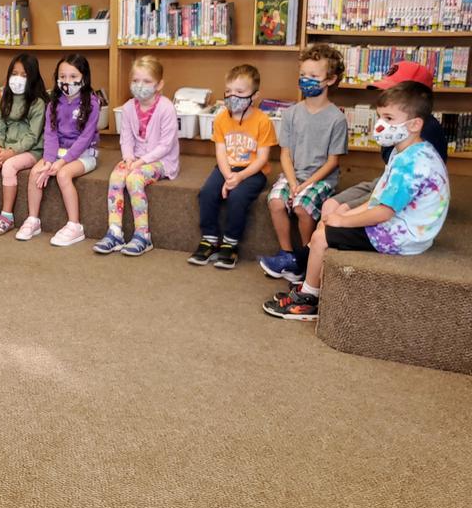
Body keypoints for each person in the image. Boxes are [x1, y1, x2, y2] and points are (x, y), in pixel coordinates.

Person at [264, 82, 450, 320]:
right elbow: (379, 197)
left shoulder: (411, 164)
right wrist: (343, 215)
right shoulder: (404, 150)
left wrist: (343, 222)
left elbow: (383, 212)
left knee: (323, 235)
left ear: (415, 124)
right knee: (332, 216)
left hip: (404, 236)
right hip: (402, 223)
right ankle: (308, 280)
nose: (381, 124)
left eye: (389, 118)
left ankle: (309, 300)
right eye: (380, 116)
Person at [257, 45, 348, 281]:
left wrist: (305, 184)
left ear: (330, 79)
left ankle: (306, 257)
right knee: (276, 200)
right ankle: (287, 254)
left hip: (320, 178)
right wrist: (293, 180)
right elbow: (285, 153)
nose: (306, 80)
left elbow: (332, 161)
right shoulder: (291, 114)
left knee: (301, 205)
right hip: (293, 175)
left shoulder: (337, 119)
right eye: (303, 75)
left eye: (314, 76)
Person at [322, 61, 450, 217]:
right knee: (330, 205)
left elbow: (398, 195)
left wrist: (349, 214)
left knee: (338, 213)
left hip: (398, 192)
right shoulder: (395, 126)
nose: (385, 98)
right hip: (384, 181)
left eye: (393, 92)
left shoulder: (424, 134)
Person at [187, 64, 276, 269]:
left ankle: (230, 243)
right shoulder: (221, 119)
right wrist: (228, 176)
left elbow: (262, 159)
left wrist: (240, 177)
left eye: (240, 92)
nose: (232, 96)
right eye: (228, 91)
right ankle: (209, 239)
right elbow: (220, 151)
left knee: (238, 196)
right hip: (226, 168)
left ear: (254, 95)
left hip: (252, 171)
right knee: (207, 192)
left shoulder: (263, 121)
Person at [93, 55, 179, 256]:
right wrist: (129, 157)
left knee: (133, 179)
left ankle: (143, 235)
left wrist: (140, 162)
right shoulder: (128, 107)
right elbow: (126, 138)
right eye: (135, 81)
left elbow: (166, 145)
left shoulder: (166, 108)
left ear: (159, 85)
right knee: (116, 176)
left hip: (161, 161)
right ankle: (115, 232)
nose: (140, 85)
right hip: (136, 158)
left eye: (147, 81)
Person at [15, 53, 100, 247]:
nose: (67, 81)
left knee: (63, 175)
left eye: (73, 77)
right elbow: (50, 135)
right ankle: (33, 219)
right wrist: (48, 160)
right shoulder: (53, 104)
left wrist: (61, 162)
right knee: (36, 172)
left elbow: (85, 138)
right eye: (62, 77)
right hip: (59, 152)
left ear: (84, 78)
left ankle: (74, 225)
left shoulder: (93, 103)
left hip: (85, 153)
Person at [0, 53, 48, 236]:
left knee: (8, 167)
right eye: (14, 74)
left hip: (32, 150)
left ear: (32, 77)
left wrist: (11, 152)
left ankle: (7, 216)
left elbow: (33, 136)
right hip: (6, 148)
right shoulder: (4, 99)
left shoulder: (37, 103)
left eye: (24, 75)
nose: (18, 79)